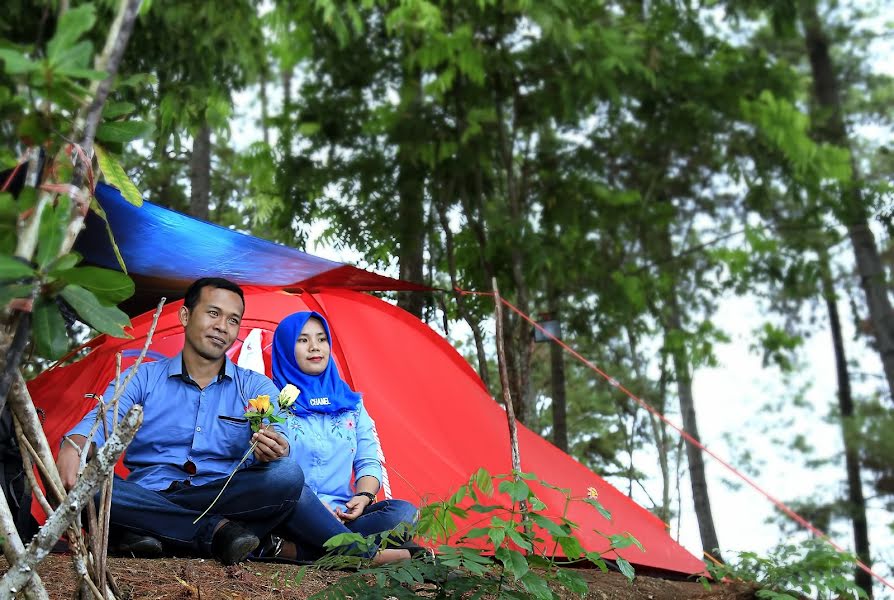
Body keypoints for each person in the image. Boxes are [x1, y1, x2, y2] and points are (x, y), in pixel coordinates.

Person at [56, 278, 304, 565]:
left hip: (221, 495)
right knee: (84, 481)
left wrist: (275, 446)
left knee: (286, 475)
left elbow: (281, 434)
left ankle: (141, 529)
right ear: (185, 316)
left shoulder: (254, 386)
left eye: (233, 320)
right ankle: (215, 532)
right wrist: (75, 446)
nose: (222, 326)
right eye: (213, 313)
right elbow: (99, 423)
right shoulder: (143, 377)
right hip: (146, 490)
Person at [267, 311, 419, 564]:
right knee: (292, 490)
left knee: (404, 512)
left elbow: (368, 461)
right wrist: (316, 510)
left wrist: (364, 497)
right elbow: (270, 471)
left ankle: (301, 551)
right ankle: (369, 557)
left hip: (343, 512)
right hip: (293, 511)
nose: (315, 347)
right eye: (303, 340)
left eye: (321, 339)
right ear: (285, 348)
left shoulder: (351, 404)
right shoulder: (272, 401)